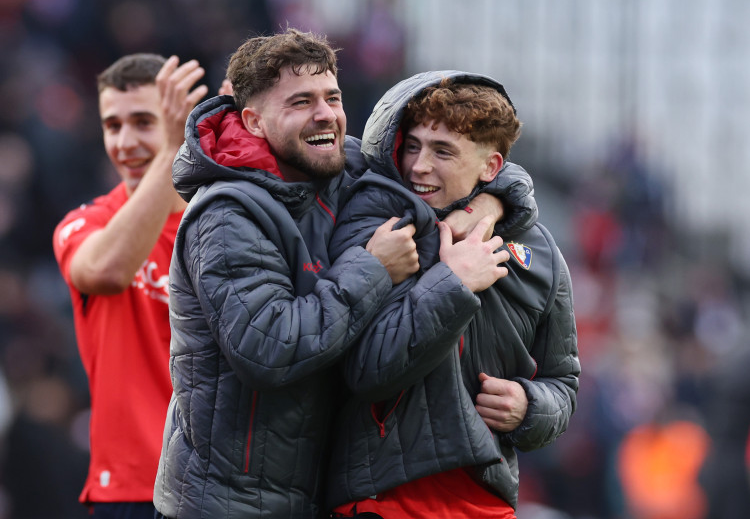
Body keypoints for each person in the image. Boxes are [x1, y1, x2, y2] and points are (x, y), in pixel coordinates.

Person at [152, 29, 537, 519]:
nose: (325, 115)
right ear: (253, 121)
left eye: (331, 98)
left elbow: (488, 164)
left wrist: (486, 203)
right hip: (226, 505)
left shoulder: (341, 166)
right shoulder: (225, 215)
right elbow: (269, 350)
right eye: (301, 102)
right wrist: (374, 268)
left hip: (313, 496)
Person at [326, 72, 580, 518]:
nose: (419, 166)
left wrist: (530, 407)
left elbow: (564, 383)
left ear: (491, 168)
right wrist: (454, 282)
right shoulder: (372, 220)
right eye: (412, 146)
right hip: (381, 500)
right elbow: (366, 372)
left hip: (488, 504)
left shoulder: (541, 252)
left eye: (442, 151)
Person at [52, 53, 208, 518]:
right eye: (112, 125)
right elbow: (107, 271)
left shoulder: (222, 227)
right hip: (129, 491)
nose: (124, 142)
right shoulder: (87, 223)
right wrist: (173, 150)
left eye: (143, 122)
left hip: (214, 489)